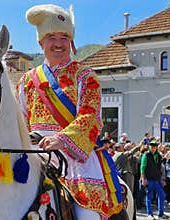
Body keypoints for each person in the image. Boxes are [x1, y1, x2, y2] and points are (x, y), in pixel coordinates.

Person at [17, 4, 123, 219]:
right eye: (51, 37)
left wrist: (62, 140)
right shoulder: (27, 80)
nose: (58, 43)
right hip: (35, 153)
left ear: (71, 42)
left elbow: (90, 116)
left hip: (76, 157)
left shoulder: (85, 75)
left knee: (87, 214)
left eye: (64, 37)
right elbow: (21, 120)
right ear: (40, 42)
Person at [140, 141, 170, 219]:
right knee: (149, 196)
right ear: (149, 147)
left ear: (156, 147)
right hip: (148, 179)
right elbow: (142, 168)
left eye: (155, 146)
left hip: (157, 179)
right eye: (152, 146)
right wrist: (143, 179)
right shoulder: (146, 155)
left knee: (162, 195)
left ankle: (161, 214)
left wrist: (162, 179)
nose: (153, 148)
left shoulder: (158, 156)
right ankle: (150, 214)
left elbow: (160, 169)